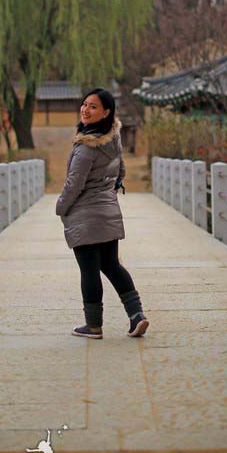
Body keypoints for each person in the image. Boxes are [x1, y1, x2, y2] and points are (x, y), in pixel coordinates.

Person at [56, 88, 149, 338]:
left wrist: (61, 207)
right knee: (112, 265)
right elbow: (120, 171)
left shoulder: (86, 148)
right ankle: (136, 315)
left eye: (93, 106)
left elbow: (73, 184)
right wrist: (110, 190)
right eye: (85, 104)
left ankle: (93, 325)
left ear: (106, 112)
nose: (85, 109)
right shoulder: (113, 139)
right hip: (107, 210)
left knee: (89, 270)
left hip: (85, 216)